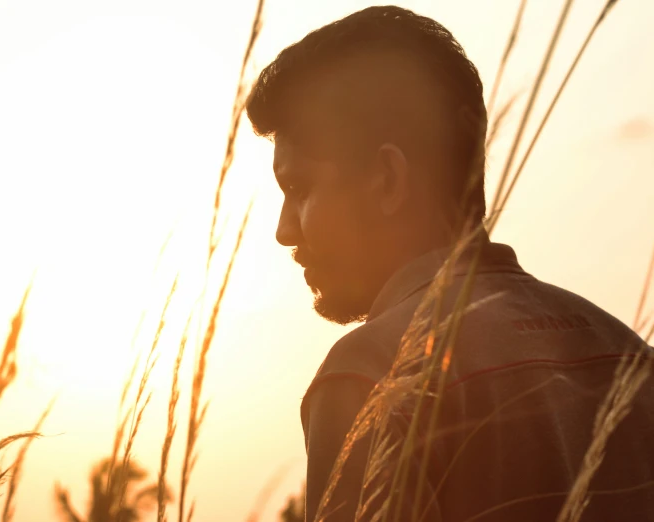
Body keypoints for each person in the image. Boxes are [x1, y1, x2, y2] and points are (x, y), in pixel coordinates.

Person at [245, 5, 654, 522]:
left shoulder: (371, 376)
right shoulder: (631, 357)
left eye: (299, 189)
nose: (284, 230)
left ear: (388, 179)